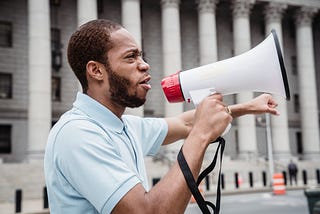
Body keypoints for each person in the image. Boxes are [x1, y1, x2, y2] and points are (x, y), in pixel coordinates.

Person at [44, 19, 280, 214]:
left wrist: (247, 107)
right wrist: (200, 136)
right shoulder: (78, 134)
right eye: (131, 57)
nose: (145, 65)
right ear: (96, 70)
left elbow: (184, 123)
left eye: (142, 56)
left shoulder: (123, 126)